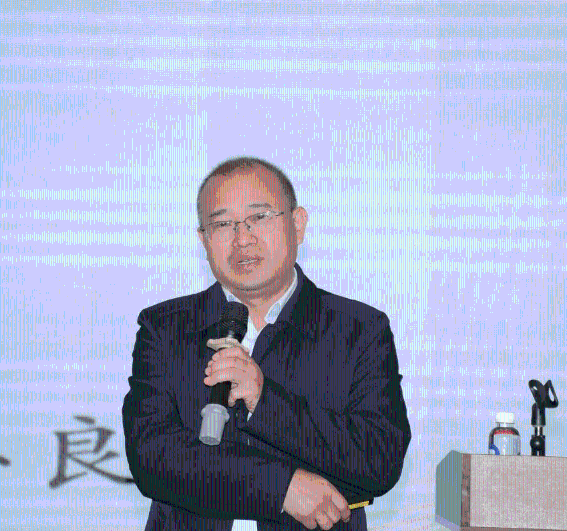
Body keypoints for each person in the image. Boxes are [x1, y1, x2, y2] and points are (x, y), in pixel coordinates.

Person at [123, 157, 411, 531]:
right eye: (222, 224)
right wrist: (282, 489)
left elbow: (378, 461)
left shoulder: (358, 329)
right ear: (204, 239)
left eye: (259, 217)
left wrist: (264, 400)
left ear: (297, 224)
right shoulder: (165, 327)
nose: (242, 238)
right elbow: (154, 458)